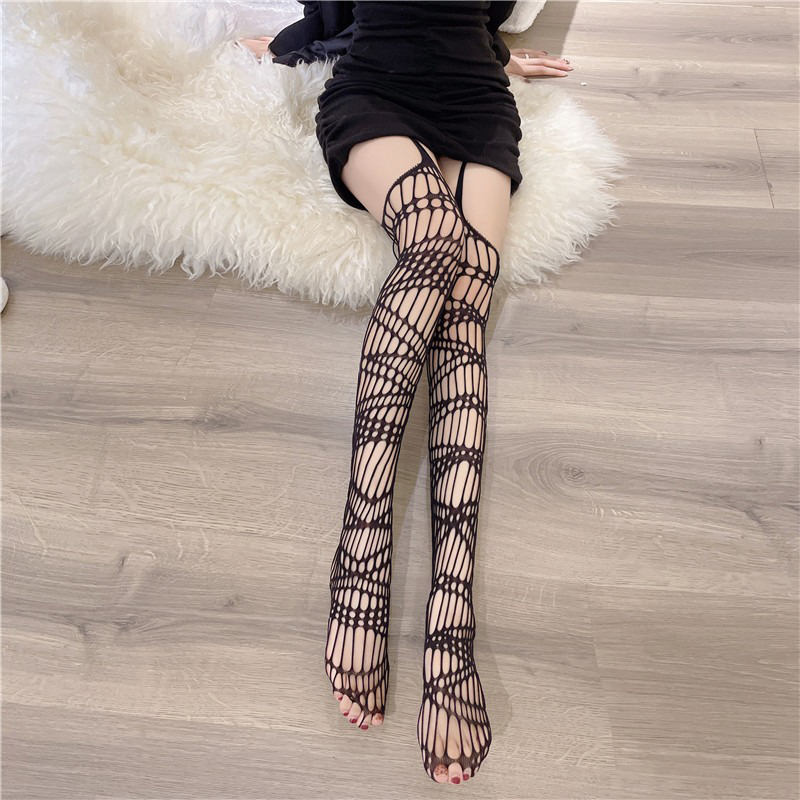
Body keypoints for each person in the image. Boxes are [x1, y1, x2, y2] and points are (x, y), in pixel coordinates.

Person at [239, 1, 573, 785]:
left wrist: (500, 55)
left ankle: (452, 610)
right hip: (377, 91)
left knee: (471, 291)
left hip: (475, 98)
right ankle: (363, 545)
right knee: (435, 240)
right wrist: (291, 44)